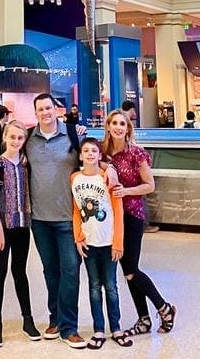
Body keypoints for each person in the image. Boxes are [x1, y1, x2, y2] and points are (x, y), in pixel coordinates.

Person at [102, 109, 176, 337]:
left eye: (122, 124)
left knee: (132, 269)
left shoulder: (136, 154)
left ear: (127, 128)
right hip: (112, 219)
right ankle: (143, 319)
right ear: (108, 126)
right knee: (126, 271)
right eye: (114, 123)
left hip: (132, 217)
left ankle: (163, 307)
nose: (117, 127)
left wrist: (126, 192)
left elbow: (150, 185)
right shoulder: (103, 153)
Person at [26, 93, 87, 348]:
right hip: (40, 220)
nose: (45, 113)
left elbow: (95, 159)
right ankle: (55, 319)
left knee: (71, 271)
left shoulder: (75, 134)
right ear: (36, 112)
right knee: (51, 272)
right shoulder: (28, 138)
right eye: (40, 109)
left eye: (48, 108)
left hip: (68, 218)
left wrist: (112, 170)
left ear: (56, 109)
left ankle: (69, 327)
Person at [0, 120, 42, 348]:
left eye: (20, 138)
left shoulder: (26, 164)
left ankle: (27, 320)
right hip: (2, 227)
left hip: (22, 226)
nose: (16, 141)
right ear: (5, 138)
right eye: (12, 137)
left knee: (20, 272)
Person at [71, 137, 131, 349]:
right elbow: (77, 211)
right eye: (85, 150)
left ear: (99, 155)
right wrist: (78, 237)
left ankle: (116, 327)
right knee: (94, 286)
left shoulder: (108, 178)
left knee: (111, 286)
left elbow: (118, 212)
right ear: (80, 155)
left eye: (93, 151)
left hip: (108, 242)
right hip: (89, 243)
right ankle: (98, 329)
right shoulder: (75, 179)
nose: (89, 154)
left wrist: (118, 243)